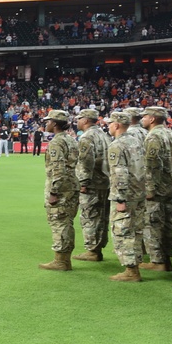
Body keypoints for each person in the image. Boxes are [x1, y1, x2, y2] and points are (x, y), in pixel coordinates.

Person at [106, 110, 146, 282]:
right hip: (139, 192)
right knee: (136, 230)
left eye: (110, 123)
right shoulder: (136, 141)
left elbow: (119, 173)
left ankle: (131, 270)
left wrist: (120, 198)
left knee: (122, 231)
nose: (108, 126)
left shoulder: (117, 145)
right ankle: (135, 265)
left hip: (126, 194)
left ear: (116, 125)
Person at [138, 106, 172, 272]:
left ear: (152, 119)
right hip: (169, 185)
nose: (142, 119)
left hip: (157, 187)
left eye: (145, 116)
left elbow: (152, 164)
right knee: (166, 223)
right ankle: (166, 259)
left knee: (153, 223)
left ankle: (157, 261)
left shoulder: (153, 136)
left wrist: (149, 188)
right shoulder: (170, 133)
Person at [39, 110, 79, 271]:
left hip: (61, 188)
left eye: (48, 121)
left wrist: (54, 192)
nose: (46, 124)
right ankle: (65, 259)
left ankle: (61, 260)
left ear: (55, 123)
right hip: (72, 185)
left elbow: (58, 168)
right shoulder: (71, 139)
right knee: (67, 222)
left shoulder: (56, 142)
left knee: (59, 222)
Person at [72, 109, 110, 262]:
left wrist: (83, 182)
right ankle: (98, 248)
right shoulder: (104, 135)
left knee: (89, 216)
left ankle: (92, 251)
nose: (77, 122)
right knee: (102, 217)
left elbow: (86, 161)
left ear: (86, 120)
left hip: (93, 182)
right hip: (105, 181)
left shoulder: (87, 137)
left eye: (79, 119)